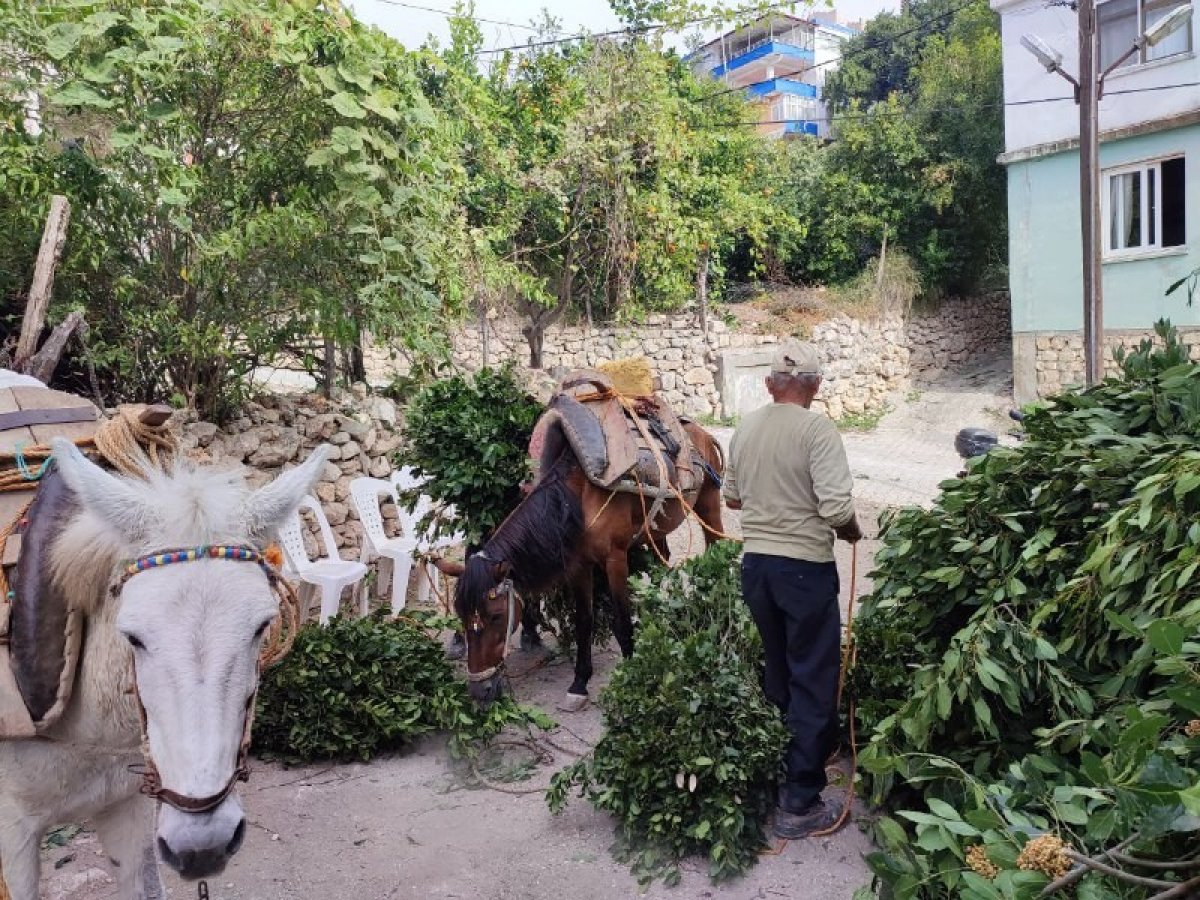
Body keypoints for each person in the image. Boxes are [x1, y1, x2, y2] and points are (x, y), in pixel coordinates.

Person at [723, 343, 862, 839]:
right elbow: (835, 509)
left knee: (778, 672)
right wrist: (851, 531)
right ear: (816, 387)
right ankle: (800, 802)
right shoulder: (817, 430)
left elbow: (733, 497)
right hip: (803, 570)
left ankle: (777, 773)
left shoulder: (745, 429)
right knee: (813, 681)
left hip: (756, 568)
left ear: (768, 386)